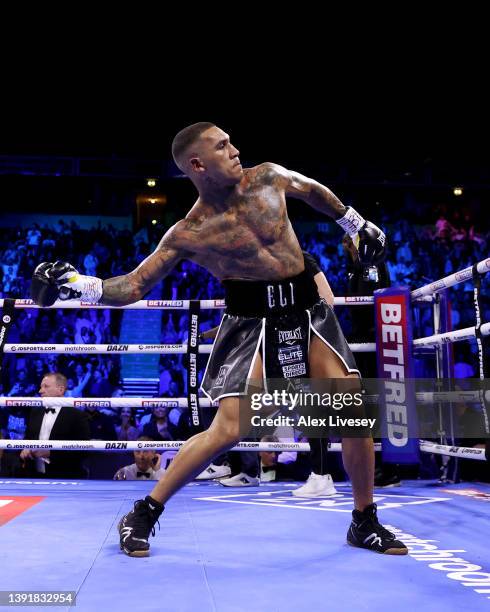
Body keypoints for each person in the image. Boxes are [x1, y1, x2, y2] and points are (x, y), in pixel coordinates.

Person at [31, 122, 406, 557]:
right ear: (197, 164)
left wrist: (353, 222)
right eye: (222, 146)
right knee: (229, 429)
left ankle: (364, 520)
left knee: (351, 413)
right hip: (250, 321)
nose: (234, 149)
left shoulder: (266, 176)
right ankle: (143, 512)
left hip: (307, 309)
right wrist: (80, 284)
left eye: (230, 142)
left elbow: (311, 189)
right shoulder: (189, 231)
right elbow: (135, 286)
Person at [20, 372, 90, 479]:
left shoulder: (76, 415)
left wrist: (51, 453)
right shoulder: (35, 411)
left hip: (64, 477)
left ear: (60, 390)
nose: (40, 391)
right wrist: (25, 449)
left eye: (46, 387)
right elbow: (28, 438)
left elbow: (83, 451)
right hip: (34, 476)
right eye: (40, 387)